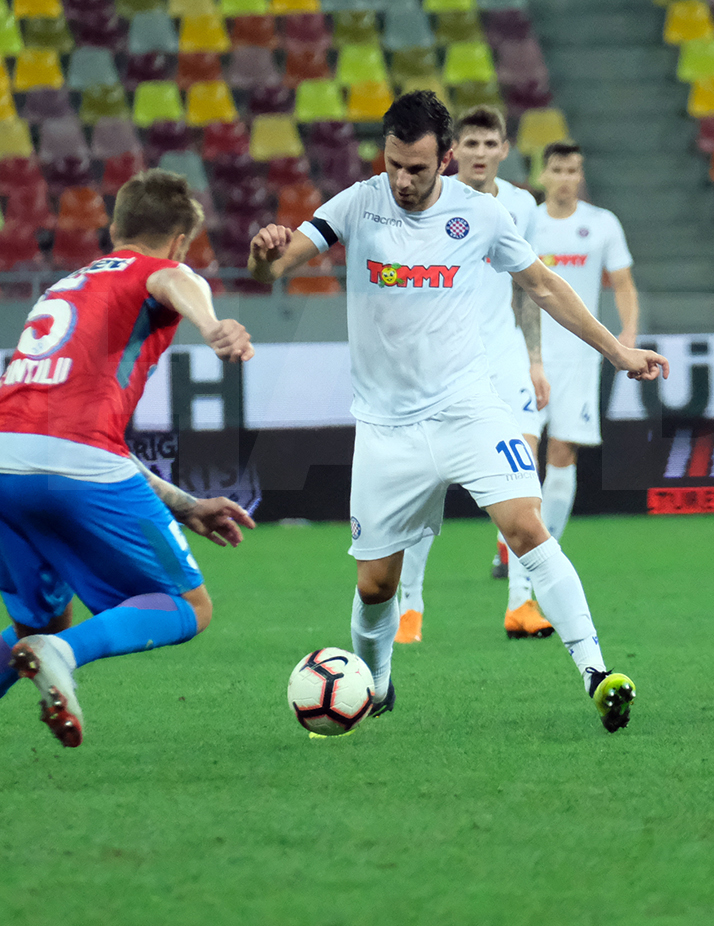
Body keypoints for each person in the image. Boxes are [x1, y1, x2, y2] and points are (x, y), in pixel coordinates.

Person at [247, 92, 667, 733]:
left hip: (470, 410)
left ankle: (595, 671)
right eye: (393, 164)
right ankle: (377, 685)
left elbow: (546, 286)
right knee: (375, 588)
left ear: (444, 160)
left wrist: (617, 351)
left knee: (528, 529)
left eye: (416, 168)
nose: (403, 181)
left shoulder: (483, 214)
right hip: (387, 429)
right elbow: (276, 265)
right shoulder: (359, 202)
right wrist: (264, 248)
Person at [0, 170, 257, 792]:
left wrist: (184, 505)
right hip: (74, 461)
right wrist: (211, 324)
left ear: (113, 229)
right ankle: (68, 654)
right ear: (184, 241)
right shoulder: (159, 273)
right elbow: (169, 278)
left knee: (33, 628)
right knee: (188, 606)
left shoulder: (68, 286)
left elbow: (74, 430)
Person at [392, 106, 557, 645]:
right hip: (444, 364)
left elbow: (525, 285)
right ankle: (410, 608)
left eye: (491, 143)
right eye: (471, 143)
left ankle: (521, 605)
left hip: (507, 358)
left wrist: (534, 358)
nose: (481, 153)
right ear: (452, 150)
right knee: (426, 489)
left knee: (524, 487)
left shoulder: (522, 205)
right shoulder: (428, 199)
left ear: (505, 149)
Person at [526, 142, 641, 542]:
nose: (565, 179)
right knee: (522, 455)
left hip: (579, 356)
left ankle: (546, 548)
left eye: (573, 171)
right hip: (528, 355)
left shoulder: (602, 223)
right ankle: (512, 542)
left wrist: (627, 334)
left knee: (562, 452)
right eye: (557, 170)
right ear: (543, 175)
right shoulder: (527, 222)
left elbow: (623, 283)